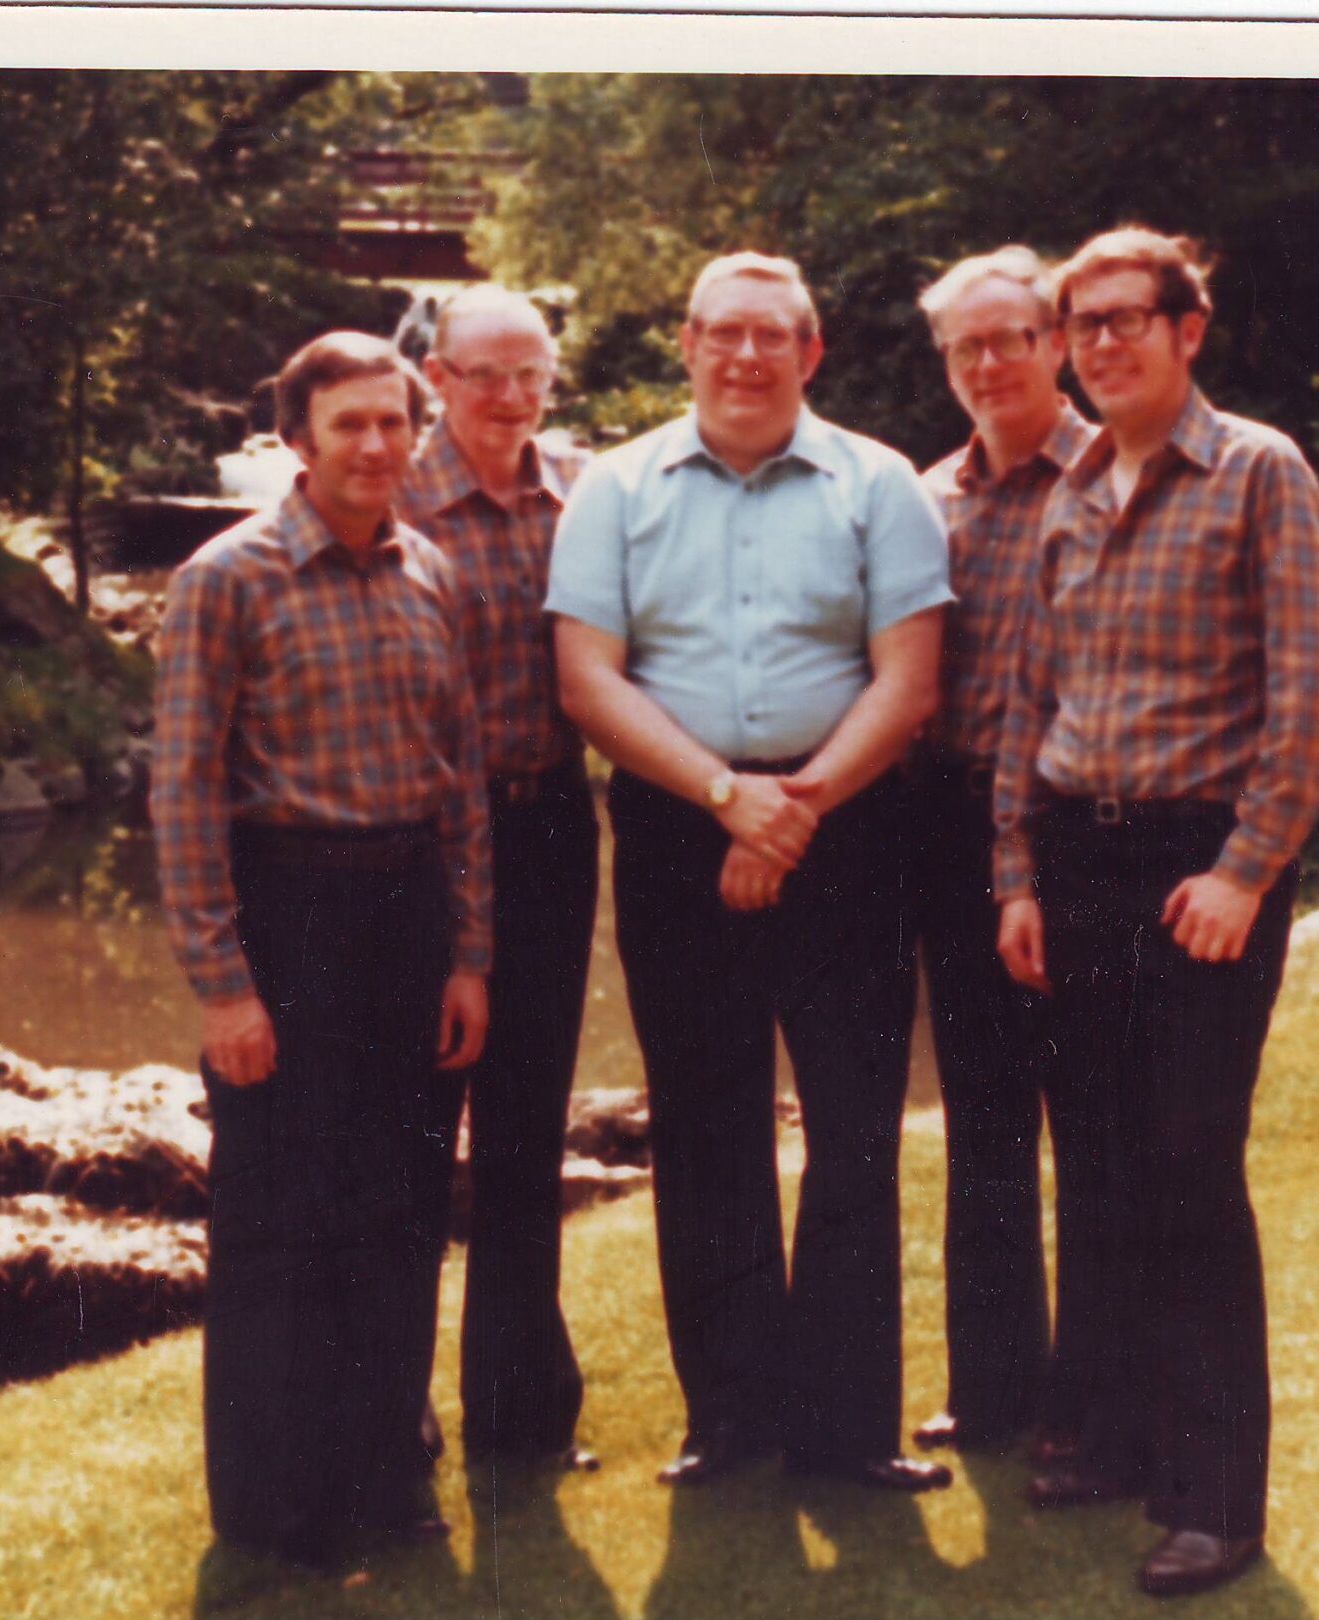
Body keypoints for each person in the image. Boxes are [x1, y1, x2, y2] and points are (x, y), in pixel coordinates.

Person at [546, 251, 955, 1493]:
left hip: (849, 827)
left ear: (809, 352)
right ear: (687, 344)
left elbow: (908, 681)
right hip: (678, 825)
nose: (745, 355)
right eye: (723, 332)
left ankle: (848, 1428)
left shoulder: (879, 484)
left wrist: (794, 808)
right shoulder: (614, 488)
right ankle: (730, 1421)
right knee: (704, 1123)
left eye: (771, 334)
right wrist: (727, 800)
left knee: (852, 1125)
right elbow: (587, 681)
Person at [993, 228, 1319, 1597]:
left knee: (1190, 1166)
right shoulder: (1072, 490)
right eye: (1080, 324)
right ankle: (1115, 1439)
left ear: (1185, 331)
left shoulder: (1259, 471)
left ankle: (1214, 1500)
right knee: (1096, 1161)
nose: (1101, 343)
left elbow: (1314, 688)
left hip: (1198, 867)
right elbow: (1030, 700)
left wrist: (1247, 870)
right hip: (1075, 860)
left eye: (1125, 319)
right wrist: (1015, 875)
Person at [152, 330, 492, 1570]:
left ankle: (386, 1470)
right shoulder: (225, 580)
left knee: (401, 1208)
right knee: (280, 1221)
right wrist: (223, 987)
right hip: (288, 913)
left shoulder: (431, 573)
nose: (376, 445)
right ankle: (275, 1508)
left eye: (394, 422)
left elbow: (460, 784)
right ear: (296, 440)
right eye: (349, 423)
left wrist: (468, 954)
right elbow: (184, 793)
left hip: (409, 915)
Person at [400, 286, 600, 1473]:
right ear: (437, 379)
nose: (513, 398)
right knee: (411, 1131)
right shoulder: (388, 495)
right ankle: (395, 1409)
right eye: (487, 375)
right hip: (419, 848)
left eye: (533, 375)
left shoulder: (583, 496)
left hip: (549, 829)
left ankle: (522, 1417)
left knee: (527, 1127)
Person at [904, 247, 1095, 1458]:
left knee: (1091, 1113)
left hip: (1075, 831)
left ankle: (1092, 1393)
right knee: (981, 1117)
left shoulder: (1114, 479)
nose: (986, 364)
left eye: (1007, 339)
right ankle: (991, 1389)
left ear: (1053, 345)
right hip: (950, 827)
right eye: (963, 348)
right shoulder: (929, 499)